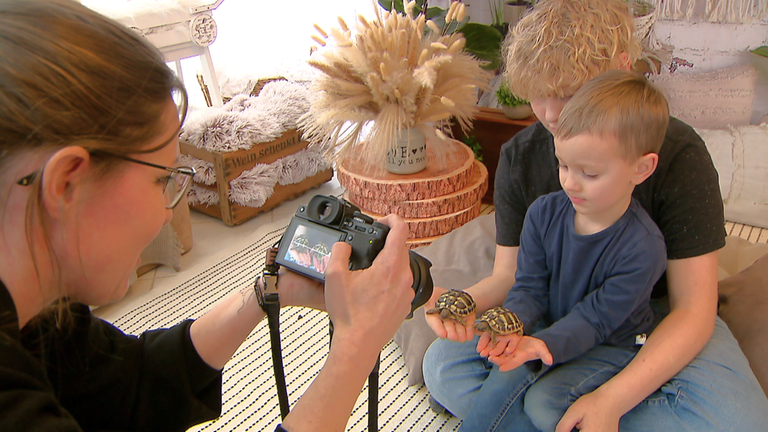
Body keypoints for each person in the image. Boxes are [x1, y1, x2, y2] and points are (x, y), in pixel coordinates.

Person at [0, 1, 415, 432]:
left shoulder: (37, 313)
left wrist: (268, 292)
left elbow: (133, 383)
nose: (169, 213)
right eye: (162, 180)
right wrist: (357, 346)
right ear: (66, 183)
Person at [422, 0, 768, 431]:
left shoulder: (680, 154)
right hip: (549, 307)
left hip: (647, 320)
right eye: (538, 91)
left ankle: (564, 412)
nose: (550, 113)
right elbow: (513, 278)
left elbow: (693, 308)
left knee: (740, 421)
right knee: (441, 367)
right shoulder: (522, 155)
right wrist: (461, 301)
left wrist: (612, 399)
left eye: (568, 92)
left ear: (622, 68)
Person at [477, 70, 667, 385]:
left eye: (589, 173)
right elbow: (529, 288)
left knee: (543, 402)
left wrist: (542, 345)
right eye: (562, 165)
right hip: (551, 328)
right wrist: (511, 325)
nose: (569, 182)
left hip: (612, 346)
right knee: (445, 363)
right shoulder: (542, 214)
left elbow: (595, 319)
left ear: (641, 168)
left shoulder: (644, 248)